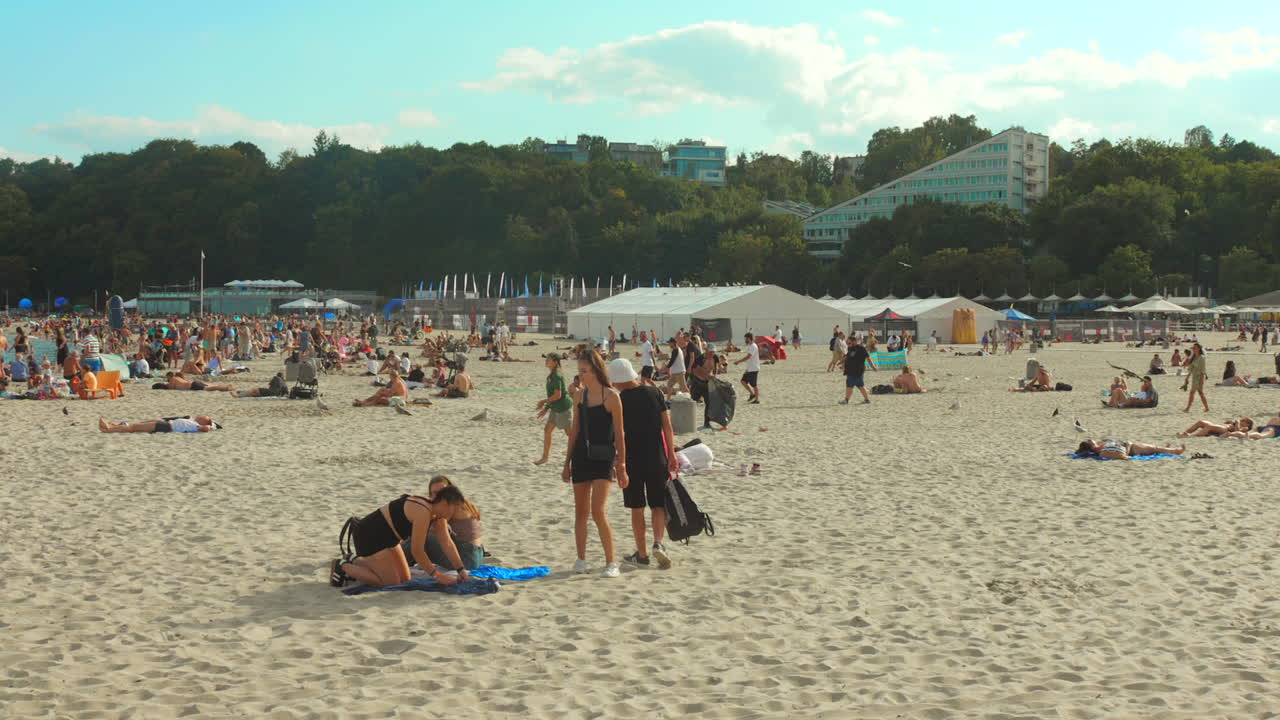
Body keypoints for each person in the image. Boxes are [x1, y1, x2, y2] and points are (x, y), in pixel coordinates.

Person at [562, 350, 628, 578]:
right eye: (579, 371)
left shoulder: (612, 397)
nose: (580, 376)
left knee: (598, 511)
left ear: (596, 370)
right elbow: (575, 432)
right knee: (581, 512)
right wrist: (566, 462)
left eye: (584, 371)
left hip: (604, 458)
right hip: (581, 456)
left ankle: (611, 562)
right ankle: (581, 559)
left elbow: (619, 434)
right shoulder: (579, 396)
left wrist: (622, 466)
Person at [329, 485, 471, 589]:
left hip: (390, 539)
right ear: (445, 503)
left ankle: (352, 559)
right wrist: (438, 576)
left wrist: (461, 570)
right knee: (389, 583)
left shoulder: (438, 517)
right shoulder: (423, 511)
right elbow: (417, 551)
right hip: (370, 535)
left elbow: (447, 543)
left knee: (405, 579)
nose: (455, 513)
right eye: (455, 508)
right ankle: (342, 566)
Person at [608, 358, 678, 570]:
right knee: (658, 504)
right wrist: (672, 454)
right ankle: (658, 542)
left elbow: (616, 434)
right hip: (657, 456)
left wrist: (615, 462)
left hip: (631, 460)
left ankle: (642, 555)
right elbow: (667, 426)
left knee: (637, 508)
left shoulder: (619, 400)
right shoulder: (654, 392)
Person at [398, 478, 486, 571]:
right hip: (477, 555)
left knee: (423, 539)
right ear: (430, 495)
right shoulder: (463, 503)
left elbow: (434, 531)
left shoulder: (450, 506)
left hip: (468, 561)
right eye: (436, 493)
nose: (440, 496)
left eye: (443, 491)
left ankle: (397, 561)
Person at [534, 353, 573, 465]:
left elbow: (558, 395)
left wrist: (543, 402)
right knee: (547, 430)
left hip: (563, 408)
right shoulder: (551, 375)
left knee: (571, 434)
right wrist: (546, 409)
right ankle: (545, 458)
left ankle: (580, 454)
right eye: (546, 359)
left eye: (548, 359)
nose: (546, 360)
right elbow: (553, 395)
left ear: (555, 362)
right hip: (555, 407)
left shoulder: (556, 375)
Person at [840, 335, 875, 404]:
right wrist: (842, 363)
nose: (848, 344)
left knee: (856, 386)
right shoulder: (850, 348)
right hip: (850, 371)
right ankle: (866, 399)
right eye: (848, 343)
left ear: (854, 342)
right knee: (855, 386)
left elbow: (868, 358)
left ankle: (847, 400)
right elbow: (848, 356)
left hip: (858, 371)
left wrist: (873, 366)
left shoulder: (861, 348)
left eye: (849, 343)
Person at [1076, 439, 1185, 460]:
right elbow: (1124, 455)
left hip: (1130, 445)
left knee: (1153, 447)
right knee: (1154, 448)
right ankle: (1176, 451)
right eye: (1090, 440)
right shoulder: (1103, 451)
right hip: (1132, 448)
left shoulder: (1100, 445)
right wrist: (1128, 445)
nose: (1092, 439)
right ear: (1092, 446)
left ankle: (1166, 449)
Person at [99, 415, 218, 433]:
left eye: (204, 417)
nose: (201, 416)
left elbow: (207, 428)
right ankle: (115, 426)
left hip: (166, 427)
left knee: (134, 428)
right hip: (166, 423)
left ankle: (109, 429)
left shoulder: (197, 426)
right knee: (138, 424)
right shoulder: (192, 421)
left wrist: (212, 425)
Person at [1181, 343, 1209, 413]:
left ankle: (1188, 408)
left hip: (1199, 377)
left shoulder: (1201, 357)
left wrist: (1201, 380)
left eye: (1195, 348)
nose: (1194, 349)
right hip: (1194, 377)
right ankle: (1207, 408)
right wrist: (1187, 378)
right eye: (1193, 348)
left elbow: (1203, 370)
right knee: (1200, 392)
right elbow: (1191, 369)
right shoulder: (1194, 357)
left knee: (1193, 392)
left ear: (1199, 349)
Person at [734, 333, 761, 404]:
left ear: (749, 338)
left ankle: (757, 399)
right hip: (750, 368)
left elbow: (748, 356)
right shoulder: (751, 346)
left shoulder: (753, 346)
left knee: (754, 384)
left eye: (746, 338)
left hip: (754, 368)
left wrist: (738, 361)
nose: (745, 340)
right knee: (743, 381)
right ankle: (752, 394)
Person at [1177, 417, 1253, 437]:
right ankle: (1186, 432)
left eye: (1245, 421)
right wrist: (1231, 421)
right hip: (1222, 426)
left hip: (1225, 430)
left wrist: (1237, 424)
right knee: (1201, 422)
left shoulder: (1246, 428)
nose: (1243, 420)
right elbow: (1225, 422)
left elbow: (1237, 432)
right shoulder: (1238, 422)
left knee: (1209, 427)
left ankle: (1191, 436)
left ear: (1247, 424)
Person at [165, 372, 234, 392]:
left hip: (193, 386)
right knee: (211, 387)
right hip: (193, 383)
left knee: (210, 389)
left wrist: (166, 385)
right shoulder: (178, 377)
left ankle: (226, 387)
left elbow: (171, 388)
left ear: (169, 376)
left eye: (167, 378)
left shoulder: (172, 379)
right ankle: (226, 387)